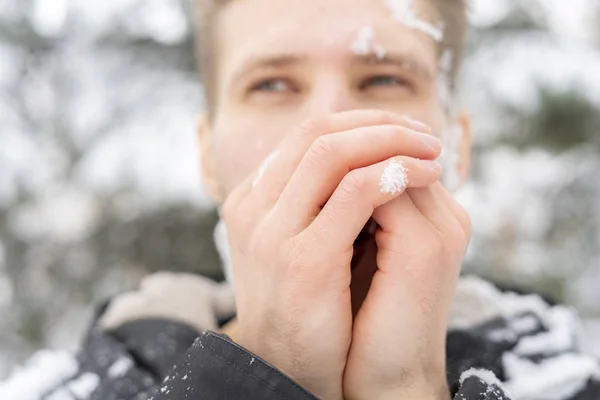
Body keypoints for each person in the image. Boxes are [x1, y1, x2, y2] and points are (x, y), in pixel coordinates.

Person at [2, 0, 600, 399]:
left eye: (386, 78)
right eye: (272, 85)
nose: (330, 122)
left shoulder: (569, 377)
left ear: (458, 148)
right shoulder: (62, 387)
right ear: (208, 157)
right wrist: (263, 373)